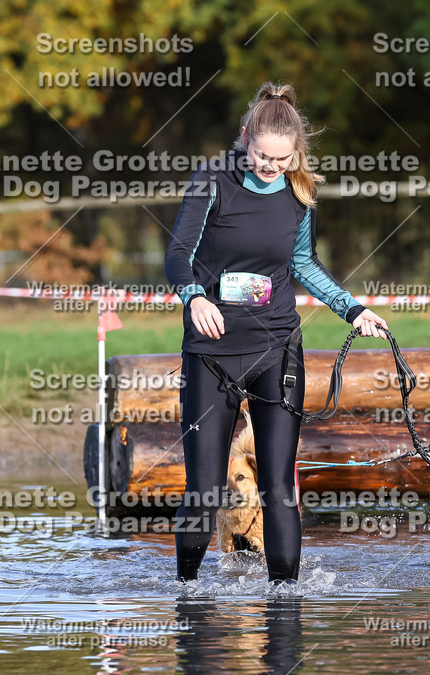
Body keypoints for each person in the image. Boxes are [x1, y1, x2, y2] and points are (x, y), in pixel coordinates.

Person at [164, 82, 389, 583]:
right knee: (203, 489)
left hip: (277, 349)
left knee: (279, 488)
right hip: (212, 352)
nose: (271, 167)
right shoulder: (212, 180)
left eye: (282, 159)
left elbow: (303, 264)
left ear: (296, 154)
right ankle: (188, 595)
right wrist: (194, 296)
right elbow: (178, 255)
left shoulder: (298, 192)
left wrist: (352, 309)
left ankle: (286, 603)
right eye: (263, 156)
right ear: (244, 138)